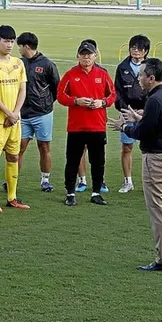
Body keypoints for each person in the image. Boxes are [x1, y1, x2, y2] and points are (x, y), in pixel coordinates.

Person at [108, 58, 162, 272]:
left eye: (141, 74)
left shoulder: (154, 100)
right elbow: (160, 122)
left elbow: (142, 133)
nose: (138, 78)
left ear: (151, 78)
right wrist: (139, 117)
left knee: (157, 209)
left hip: (157, 159)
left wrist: (124, 127)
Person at [57, 41, 116, 207]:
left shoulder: (102, 74)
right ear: (78, 56)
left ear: (95, 55)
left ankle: (96, 192)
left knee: (98, 161)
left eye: (89, 54)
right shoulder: (70, 74)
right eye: (83, 54)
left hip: (97, 126)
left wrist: (102, 103)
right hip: (76, 127)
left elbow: (112, 95)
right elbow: (60, 96)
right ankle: (70, 192)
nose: (86, 57)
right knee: (73, 161)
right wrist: (76, 101)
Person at [0, 25, 30, 210]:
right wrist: (9, 113)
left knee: (13, 157)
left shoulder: (18, 63)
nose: (9, 45)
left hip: (15, 120)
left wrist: (15, 113)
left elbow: (22, 89)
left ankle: (12, 197)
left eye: (12, 41)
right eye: (6, 41)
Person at [16, 32, 60, 193]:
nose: (18, 49)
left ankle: (45, 180)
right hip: (23, 114)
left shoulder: (47, 64)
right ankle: (13, 179)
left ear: (25, 46)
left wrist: (46, 103)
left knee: (44, 147)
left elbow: (57, 87)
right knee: (18, 148)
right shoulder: (18, 63)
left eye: (19, 46)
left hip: (43, 113)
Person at [114, 35, 151, 195]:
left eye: (139, 48)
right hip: (128, 113)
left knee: (148, 148)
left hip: (146, 113)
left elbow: (155, 89)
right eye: (133, 47)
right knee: (127, 147)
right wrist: (125, 110)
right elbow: (117, 92)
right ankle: (128, 181)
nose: (135, 51)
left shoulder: (151, 67)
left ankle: (150, 181)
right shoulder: (122, 67)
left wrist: (146, 110)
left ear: (146, 51)